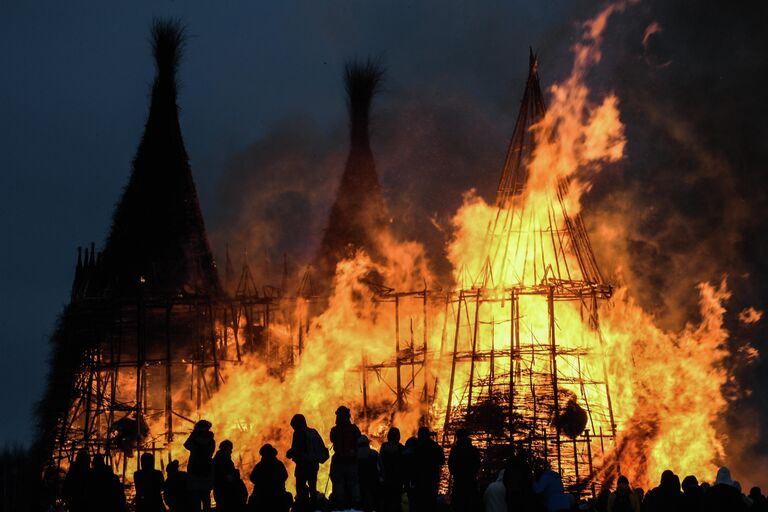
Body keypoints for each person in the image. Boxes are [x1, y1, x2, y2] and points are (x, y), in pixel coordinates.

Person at [286, 413, 327, 509]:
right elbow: (321, 447)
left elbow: (296, 449)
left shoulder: (298, 433)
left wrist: (289, 453)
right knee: (312, 487)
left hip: (302, 466)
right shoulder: (313, 432)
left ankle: (303, 506)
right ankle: (314, 506)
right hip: (314, 465)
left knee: (300, 487)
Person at [329, 405, 362, 509]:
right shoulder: (354, 429)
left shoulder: (334, 430)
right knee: (353, 483)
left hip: (338, 461)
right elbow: (359, 440)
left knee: (338, 483)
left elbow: (332, 440)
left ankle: (340, 504)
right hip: (352, 461)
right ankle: (355, 504)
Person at [248, 444, 291, 512]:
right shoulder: (279, 464)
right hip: (277, 496)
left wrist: (262, 484)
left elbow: (252, 478)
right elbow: (285, 476)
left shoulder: (259, 466)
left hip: (262, 497)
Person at [411, 426, 445, 512]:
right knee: (430, 503)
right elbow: (442, 461)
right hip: (431, 480)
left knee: (419, 504)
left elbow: (410, 462)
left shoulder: (415, 447)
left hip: (419, 480)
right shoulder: (435, 446)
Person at [184, 420, 215, 511]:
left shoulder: (194, 439)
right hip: (206, 471)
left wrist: (193, 435)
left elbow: (186, 445)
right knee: (206, 499)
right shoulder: (211, 440)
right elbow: (211, 453)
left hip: (194, 472)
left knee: (196, 500)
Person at [448, 429, 480, 512]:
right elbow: (477, 465)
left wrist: (456, 473)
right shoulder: (473, 450)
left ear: (458, 437)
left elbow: (451, 465)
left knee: (459, 506)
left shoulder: (455, 450)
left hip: (458, 483)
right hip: (471, 482)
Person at [213, 440, 247, 512]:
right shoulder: (221, 459)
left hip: (223, 489)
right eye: (230, 449)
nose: (231, 451)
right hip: (223, 489)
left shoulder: (222, 458)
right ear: (225, 448)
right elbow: (222, 474)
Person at [379, 427, 405, 512]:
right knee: (397, 501)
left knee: (386, 501)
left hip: (386, 478)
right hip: (397, 479)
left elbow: (380, 462)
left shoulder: (384, 447)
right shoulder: (401, 447)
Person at [357, 435, 381, 511]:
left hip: (360, 483)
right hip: (374, 481)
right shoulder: (374, 454)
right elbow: (380, 468)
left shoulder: (355, 455)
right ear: (367, 444)